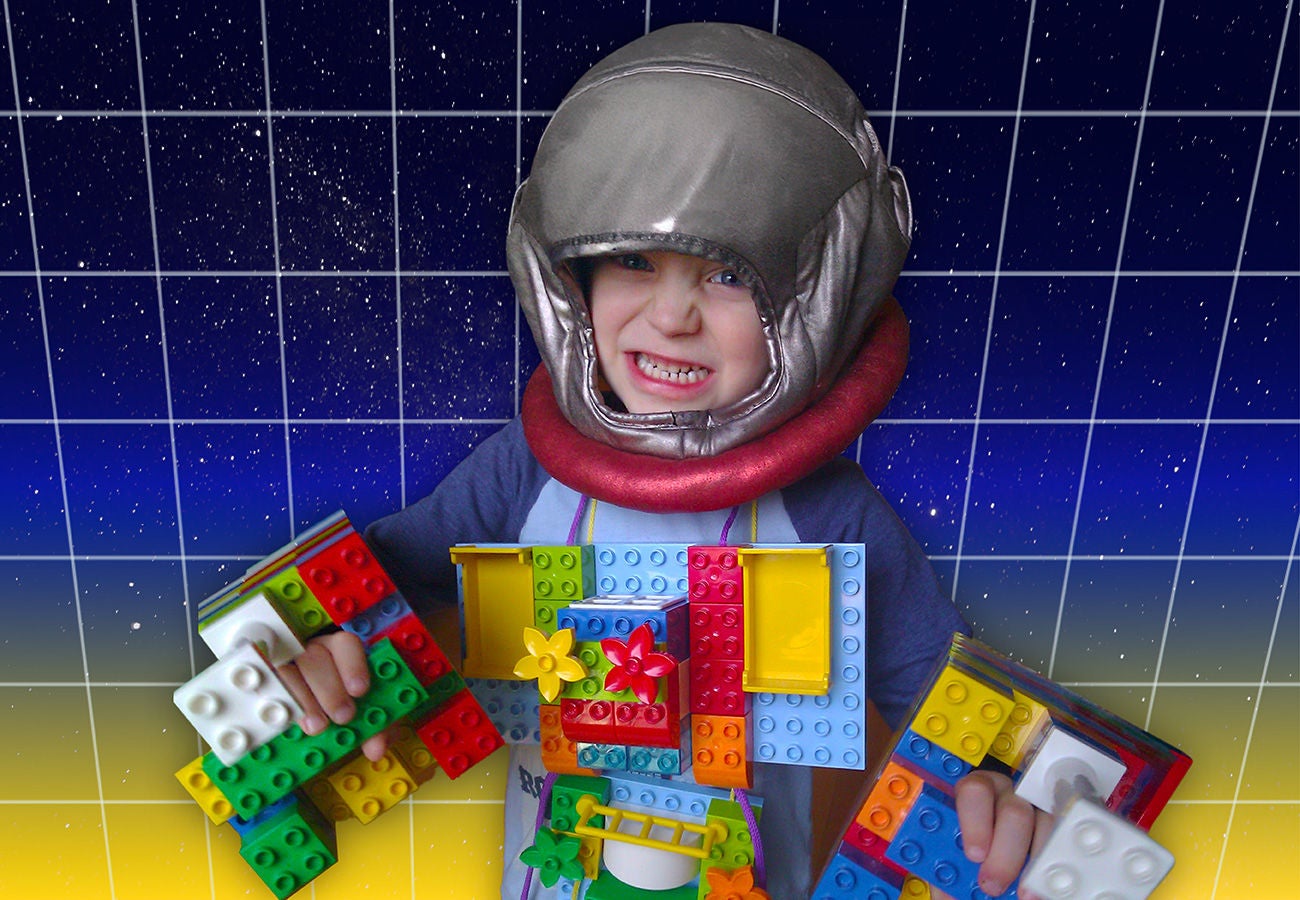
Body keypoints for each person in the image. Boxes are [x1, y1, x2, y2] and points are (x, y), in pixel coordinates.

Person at [275, 22, 1046, 899]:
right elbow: (380, 591)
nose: (671, 316)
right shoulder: (522, 469)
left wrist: (998, 787)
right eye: (632, 258)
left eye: (729, 276)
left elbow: (947, 699)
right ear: (571, 280)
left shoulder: (829, 511)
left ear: (820, 299)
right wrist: (323, 654)